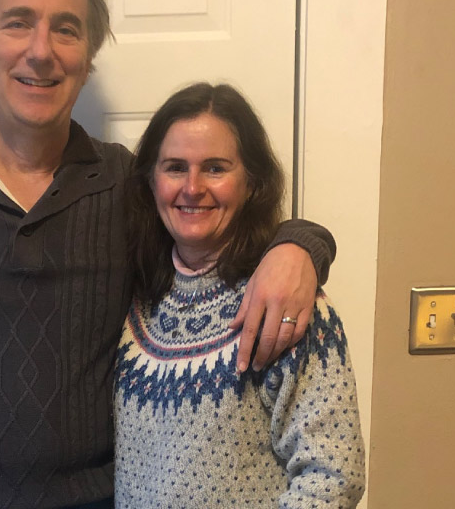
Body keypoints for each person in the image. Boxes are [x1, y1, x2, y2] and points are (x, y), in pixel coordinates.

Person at [0, 0, 337, 509]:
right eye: (18, 23)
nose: (41, 51)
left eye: (66, 29)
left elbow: (224, 228)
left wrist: (303, 246)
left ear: (88, 57)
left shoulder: (129, 185)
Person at [114, 82, 365, 507]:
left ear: (251, 183)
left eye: (215, 168)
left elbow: (332, 476)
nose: (192, 187)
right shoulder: (135, 297)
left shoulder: (287, 302)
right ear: (151, 183)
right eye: (175, 167)